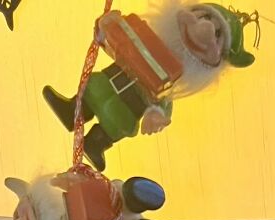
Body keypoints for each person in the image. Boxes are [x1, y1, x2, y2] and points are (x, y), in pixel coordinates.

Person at [43, 3, 256, 171]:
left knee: (116, 125)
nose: (206, 28)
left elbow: (163, 104)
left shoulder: (171, 83)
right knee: (93, 88)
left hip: (127, 110)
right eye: (206, 16)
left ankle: (96, 143)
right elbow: (119, 42)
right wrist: (105, 30)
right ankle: (71, 110)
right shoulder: (144, 34)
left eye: (218, 35)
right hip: (109, 81)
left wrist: (155, 115)